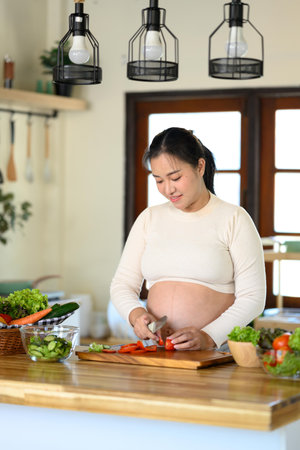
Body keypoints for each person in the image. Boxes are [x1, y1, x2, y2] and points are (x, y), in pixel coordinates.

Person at [110, 127, 266, 350]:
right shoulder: (149, 218)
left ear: (200, 166)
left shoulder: (234, 219)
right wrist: (136, 315)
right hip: (159, 351)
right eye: (159, 180)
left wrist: (209, 336)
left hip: (213, 355)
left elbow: (253, 297)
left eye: (176, 177)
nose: (168, 189)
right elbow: (122, 285)